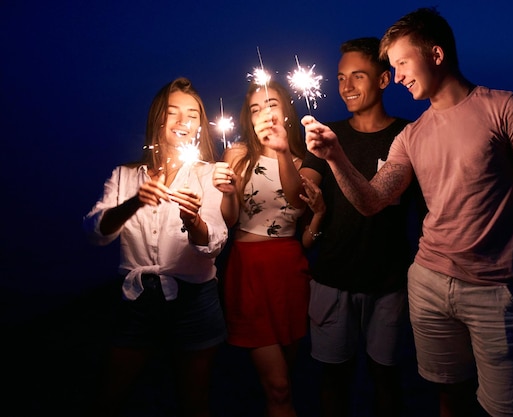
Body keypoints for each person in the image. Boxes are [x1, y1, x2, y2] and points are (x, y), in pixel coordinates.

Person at [301, 7, 513, 417]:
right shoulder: (411, 135)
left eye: (403, 62)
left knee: (509, 408)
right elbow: (371, 201)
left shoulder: (508, 109)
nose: (398, 75)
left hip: (494, 288)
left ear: (436, 54)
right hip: (429, 283)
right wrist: (333, 156)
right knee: (447, 394)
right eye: (394, 66)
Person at [83, 77, 229, 417]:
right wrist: (133, 203)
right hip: (137, 300)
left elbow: (215, 242)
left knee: (194, 401)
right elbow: (94, 232)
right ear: (158, 119)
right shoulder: (124, 176)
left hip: (194, 299)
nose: (182, 122)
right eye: (173, 112)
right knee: (109, 396)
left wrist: (193, 221)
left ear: (199, 125)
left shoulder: (209, 175)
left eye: (192, 115)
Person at [298, 37, 423, 417]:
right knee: (334, 379)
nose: (346, 86)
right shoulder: (324, 134)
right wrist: (280, 154)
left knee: (386, 377)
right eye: (339, 78)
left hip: (389, 281)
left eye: (357, 76)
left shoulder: (409, 135)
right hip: (333, 277)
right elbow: (300, 192)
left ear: (385, 80)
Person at [212, 79, 310, 417]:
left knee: (288, 378)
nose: (264, 114)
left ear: (285, 112)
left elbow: (299, 202)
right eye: (255, 109)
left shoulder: (302, 162)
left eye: (271, 105)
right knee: (278, 385)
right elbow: (229, 219)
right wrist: (226, 193)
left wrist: (282, 152)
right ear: (248, 119)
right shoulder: (236, 154)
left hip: (289, 271)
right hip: (248, 269)